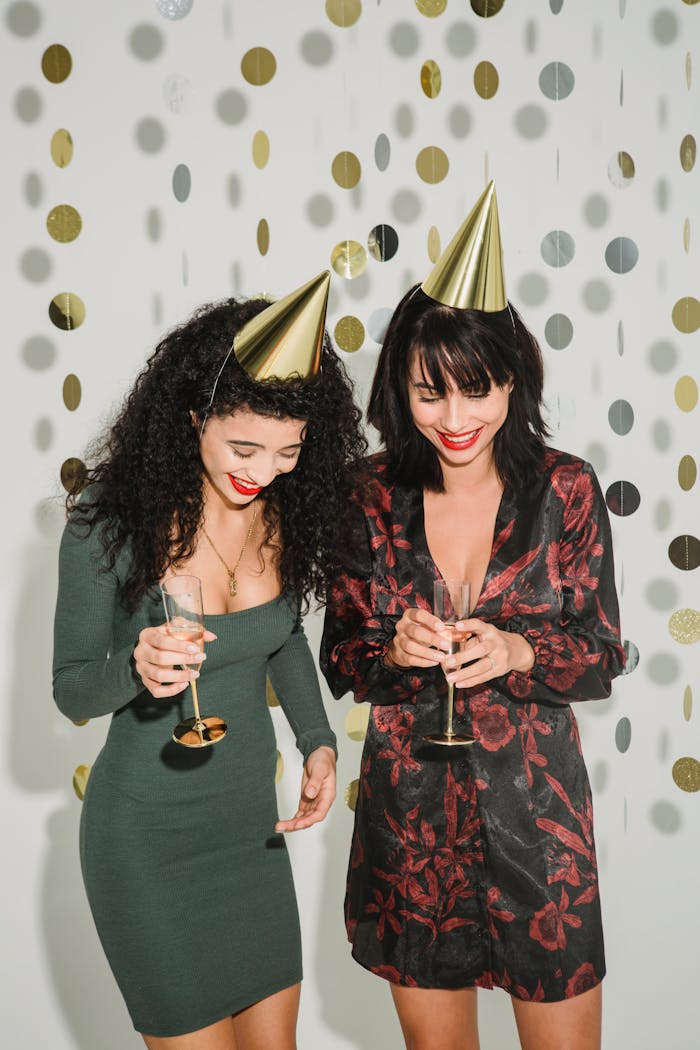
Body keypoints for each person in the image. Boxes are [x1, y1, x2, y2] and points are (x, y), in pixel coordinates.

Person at [320, 184, 626, 1050]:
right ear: (399, 388)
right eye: (430, 394)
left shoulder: (564, 489)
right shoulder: (368, 497)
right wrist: (396, 651)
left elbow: (602, 656)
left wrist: (522, 650)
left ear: (513, 378)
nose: (456, 419)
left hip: (539, 825)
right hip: (410, 826)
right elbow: (341, 657)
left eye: (479, 390)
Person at [52, 271, 366, 1050]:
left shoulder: (279, 516)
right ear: (194, 417)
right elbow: (69, 691)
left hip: (249, 837)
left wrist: (317, 740)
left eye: (289, 452)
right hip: (147, 841)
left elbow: (283, 637)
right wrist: (136, 664)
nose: (263, 470)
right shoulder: (108, 526)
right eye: (244, 445)